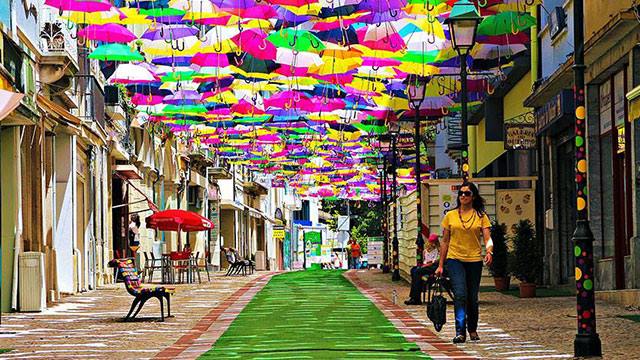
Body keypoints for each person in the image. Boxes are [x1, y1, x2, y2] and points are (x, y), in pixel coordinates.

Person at [435, 182, 493, 344]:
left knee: (472, 297)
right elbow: (445, 241)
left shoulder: (481, 216)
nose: (463, 196)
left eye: (467, 193)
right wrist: (440, 265)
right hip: (455, 260)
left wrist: (489, 251)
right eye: (461, 193)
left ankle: (472, 328)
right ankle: (460, 332)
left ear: (473, 196)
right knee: (460, 295)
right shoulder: (450, 216)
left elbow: (487, 238)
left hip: (474, 260)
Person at [404, 233, 440, 305]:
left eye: (433, 242)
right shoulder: (426, 250)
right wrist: (424, 265)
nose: (431, 243)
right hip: (427, 265)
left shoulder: (438, 250)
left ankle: (415, 298)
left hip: (434, 267)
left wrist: (426, 265)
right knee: (413, 270)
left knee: (417, 272)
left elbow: (435, 261)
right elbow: (425, 260)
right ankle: (415, 296)